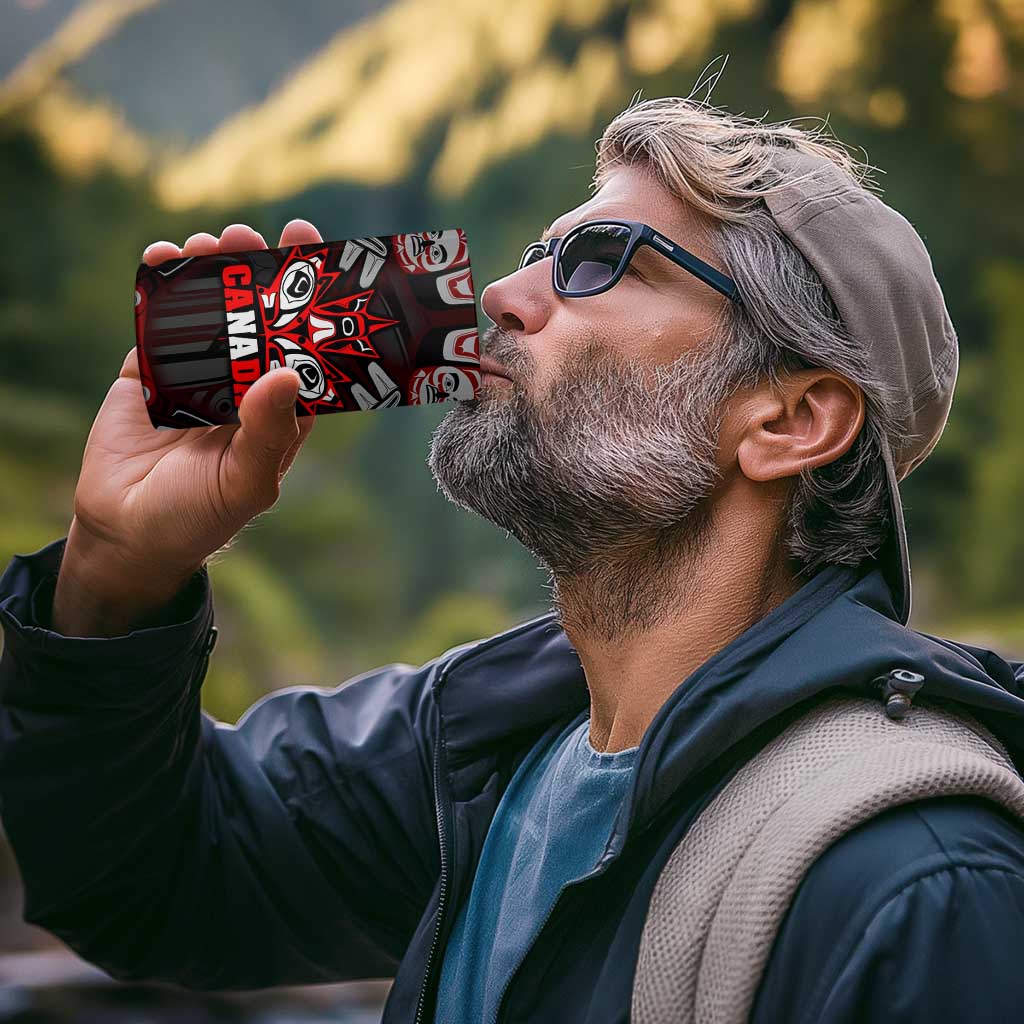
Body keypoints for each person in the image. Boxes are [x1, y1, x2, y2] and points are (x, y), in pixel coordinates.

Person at [2, 95, 1024, 1024]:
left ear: (791, 419)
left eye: (599, 262)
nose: (500, 292)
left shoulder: (918, 884)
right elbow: (149, 879)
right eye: (540, 252)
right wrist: (116, 570)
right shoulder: (479, 749)